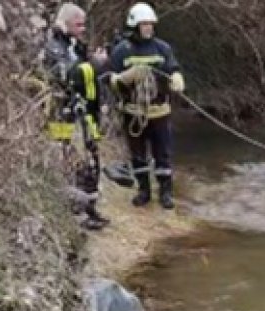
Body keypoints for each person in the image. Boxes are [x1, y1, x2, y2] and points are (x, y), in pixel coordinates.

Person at [108, 2, 185, 209]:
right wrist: (124, 78)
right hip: (133, 113)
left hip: (160, 112)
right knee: (138, 155)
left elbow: (172, 67)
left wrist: (176, 77)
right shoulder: (121, 51)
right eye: (144, 24)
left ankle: (166, 193)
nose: (149, 28)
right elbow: (110, 80)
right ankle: (143, 191)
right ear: (134, 26)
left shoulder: (162, 48)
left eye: (151, 24)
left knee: (163, 154)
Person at [42, 2, 110, 230]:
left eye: (84, 24)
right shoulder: (54, 46)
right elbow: (66, 73)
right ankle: (76, 213)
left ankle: (90, 207)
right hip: (63, 115)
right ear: (66, 23)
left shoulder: (76, 45)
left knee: (91, 160)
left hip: (85, 114)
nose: (83, 29)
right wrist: (93, 64)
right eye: (78, 25)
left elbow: (87, 72)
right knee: (72, 162)